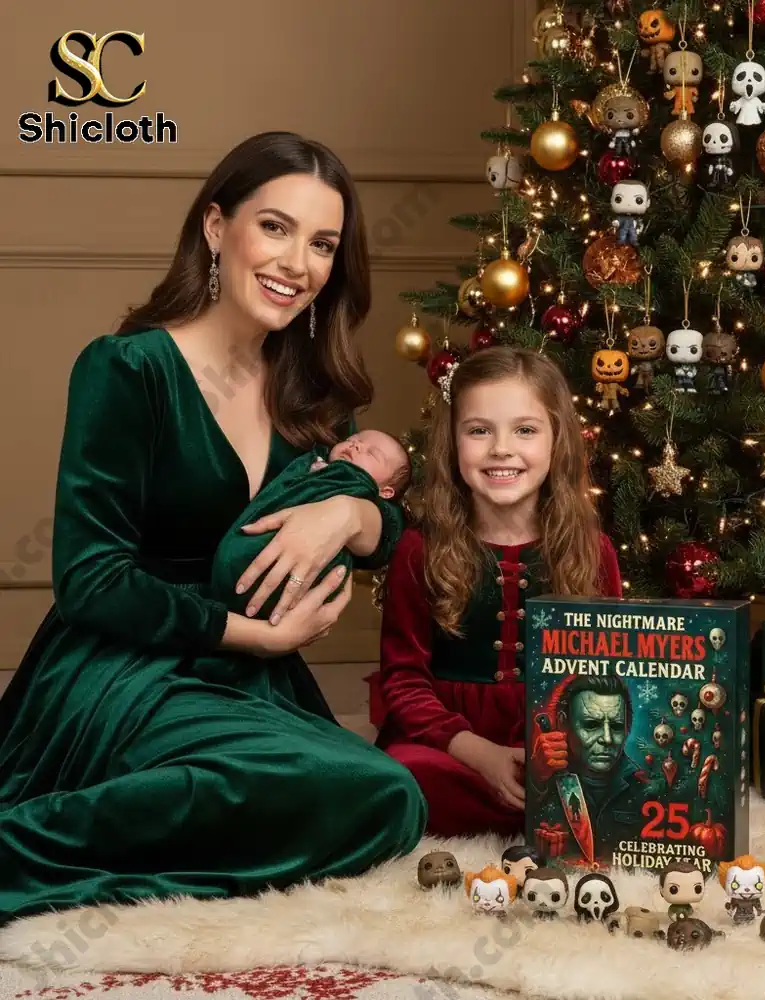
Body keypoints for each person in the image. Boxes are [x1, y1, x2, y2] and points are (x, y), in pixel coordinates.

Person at [0, 131, 427, 927]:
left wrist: (355, 511)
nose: (298, 263)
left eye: (323, 244)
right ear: (214, 228)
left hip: (252, 682)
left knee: (389, 803)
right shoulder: (127, 370)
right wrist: (252, 635)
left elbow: (390, 529)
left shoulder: (315, 391)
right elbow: (90, 578)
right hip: (129, 664)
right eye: (275, 227)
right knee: (349, 790)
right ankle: (18, 843)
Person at [375, 346, 622, 837]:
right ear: (452, 443)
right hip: (445, 742)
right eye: (479, 430)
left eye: (525, 430)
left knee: (612, 782)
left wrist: (555, 753)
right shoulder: (417, 549)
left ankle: (544, 805)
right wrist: (479, 753)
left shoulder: (592, 550)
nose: (501, 449)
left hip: (552, 743)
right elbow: (402, 681)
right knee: (399, 779)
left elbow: (605, 678)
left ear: (558, 442)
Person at [212, 429, 412, 620]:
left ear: (385, 492)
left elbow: (393, 528)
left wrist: (351, 513)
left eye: (372, 453)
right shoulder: (313, 461)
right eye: (353, 439)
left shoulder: (353, 485)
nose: (356, 445)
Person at [528, 673, 649, 862]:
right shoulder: (543, 779)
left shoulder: (643, 787)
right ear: (563, 722)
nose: (607, 739)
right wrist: (536, 776)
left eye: (616, 727)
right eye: (591, 725)